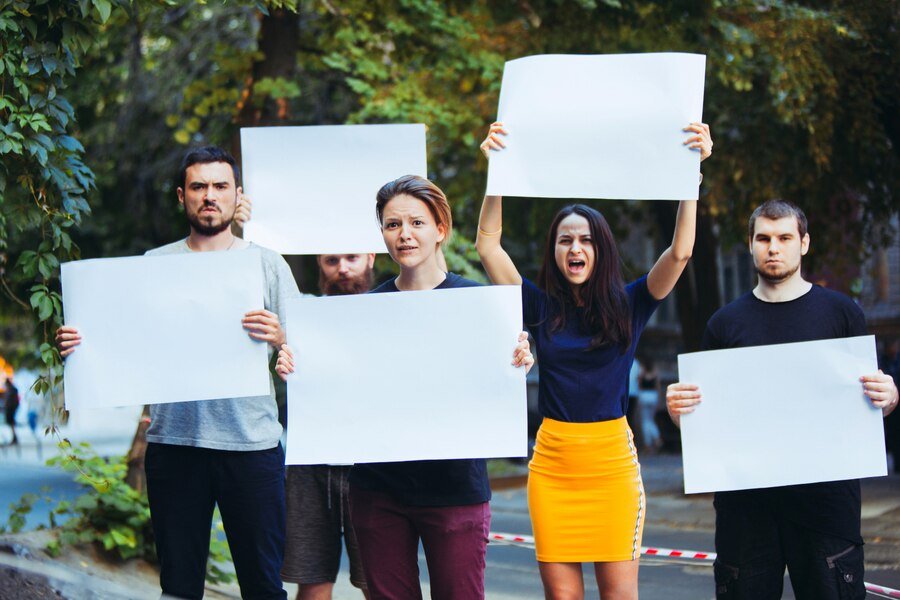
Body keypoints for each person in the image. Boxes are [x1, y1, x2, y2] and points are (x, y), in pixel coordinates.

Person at [476, 120, 713, 599]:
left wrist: (693, 176)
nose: (575, 248)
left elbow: (681, 252)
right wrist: (495, 173)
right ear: (555, 251)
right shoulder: (539, 306)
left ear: (600, 249)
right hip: (552, 467)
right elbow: (487, 244)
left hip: (612, 468)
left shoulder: (631, 303)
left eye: (585, 239)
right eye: (565, 240)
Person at [56, 146, 298, 600]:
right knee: (179, 587)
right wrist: (78, 346)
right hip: (174, 446)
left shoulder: (266, 263)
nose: (210, 196)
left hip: (251, 445)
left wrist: (282, 336)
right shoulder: (154, 264)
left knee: (264, 586)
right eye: (199, 187)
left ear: (236, 195)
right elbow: (122, 343)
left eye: (220, 186)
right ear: (181, 196)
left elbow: (306, 351)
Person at [276, 174, 534, 600]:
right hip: (378, 493)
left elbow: (500, 374)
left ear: (440, 230)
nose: (404, 234)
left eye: (416, 222)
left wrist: (521, 357)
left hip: (454, 491)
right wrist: (296, 367)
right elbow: (335, 387)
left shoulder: (480, 305)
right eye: (393, 225)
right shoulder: (363, 311)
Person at [665, 199, 899, 600]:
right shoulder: (724, 324)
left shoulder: (842, 314)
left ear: (803, 244)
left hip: (826, 509)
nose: (773, 247)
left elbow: (869, 404)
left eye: (785, 238)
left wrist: (889, 396)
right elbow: (702, 423)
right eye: (764, 238)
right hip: (747, 513)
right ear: (750, 244)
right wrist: (678, 412)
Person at [282, 253, 375, 600]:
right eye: (331, 260)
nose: (343, 268)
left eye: (351, 257)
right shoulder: (301, 312)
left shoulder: (391, 308)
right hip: (310, 463)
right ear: (320, 264)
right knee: (312, 579)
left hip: (372, 466)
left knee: (377, 580)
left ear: (369, 257)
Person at [636, 357, 661, 451]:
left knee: (645, 421)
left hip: (644, 396)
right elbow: (657, 387)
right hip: (653, 396)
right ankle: (657, 438)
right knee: (650, 420)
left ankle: (648, 443)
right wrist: (658, 399)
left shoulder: (642, 374)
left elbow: (639, 386)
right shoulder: (655, 373)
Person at [3, 376, 19, 446]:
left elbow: (14, 401)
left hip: (11, 409)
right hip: (10, 409)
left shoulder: (12, 390)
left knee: (11, 423)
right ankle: (14, 438)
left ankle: (14, 438)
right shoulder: (11, 389)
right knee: (11, 424)